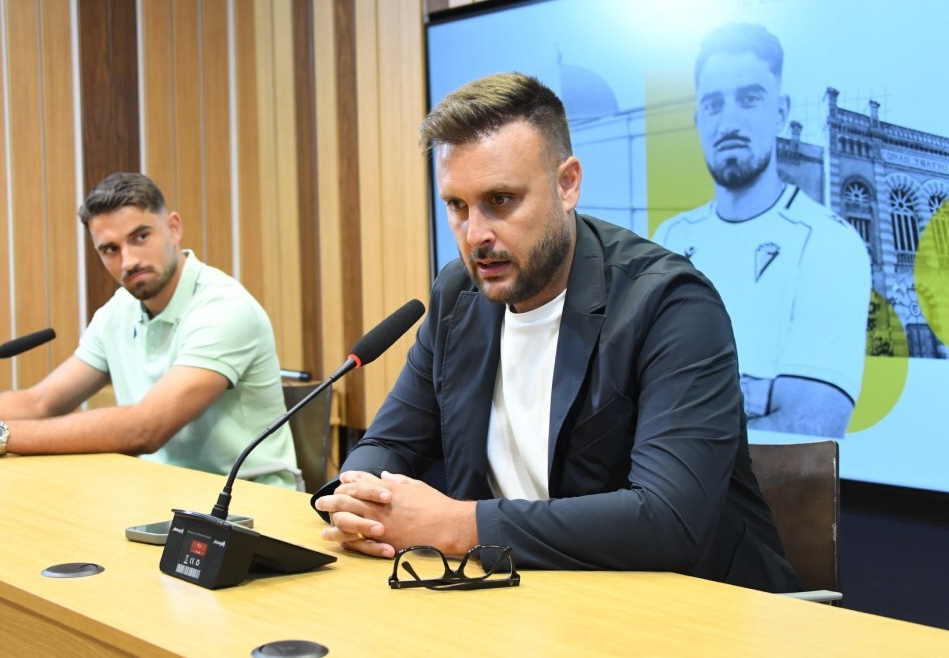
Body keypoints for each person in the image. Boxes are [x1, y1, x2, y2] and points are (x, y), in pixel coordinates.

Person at [312, 73, 800, 592]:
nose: (475, 235)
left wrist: (454, 525)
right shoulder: (459, 294)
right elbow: (389, 442)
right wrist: (358, 501)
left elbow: (669, 522)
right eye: (456, 206)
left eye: (501, 200)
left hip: (694, 609)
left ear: (567, 184)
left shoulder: (670, 303)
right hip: (528, 600)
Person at [0, 172, 298, 487]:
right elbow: (41, 401)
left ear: (173, 228)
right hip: (161, 494)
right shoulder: (120, 310)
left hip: (249, 505)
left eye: (140, 237)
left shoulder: (224, 308)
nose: (128, 261)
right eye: (110, 249)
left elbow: (146, 428)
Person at [655, 23, 871, 437]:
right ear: (698, 121)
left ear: (781, 112)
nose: (729, 122)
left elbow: (806, 428)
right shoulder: (669, 239)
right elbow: (627, 399)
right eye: (714, 105)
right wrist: (758, 391)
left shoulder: (829, 242)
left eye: (749, 99)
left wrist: (682, 400)